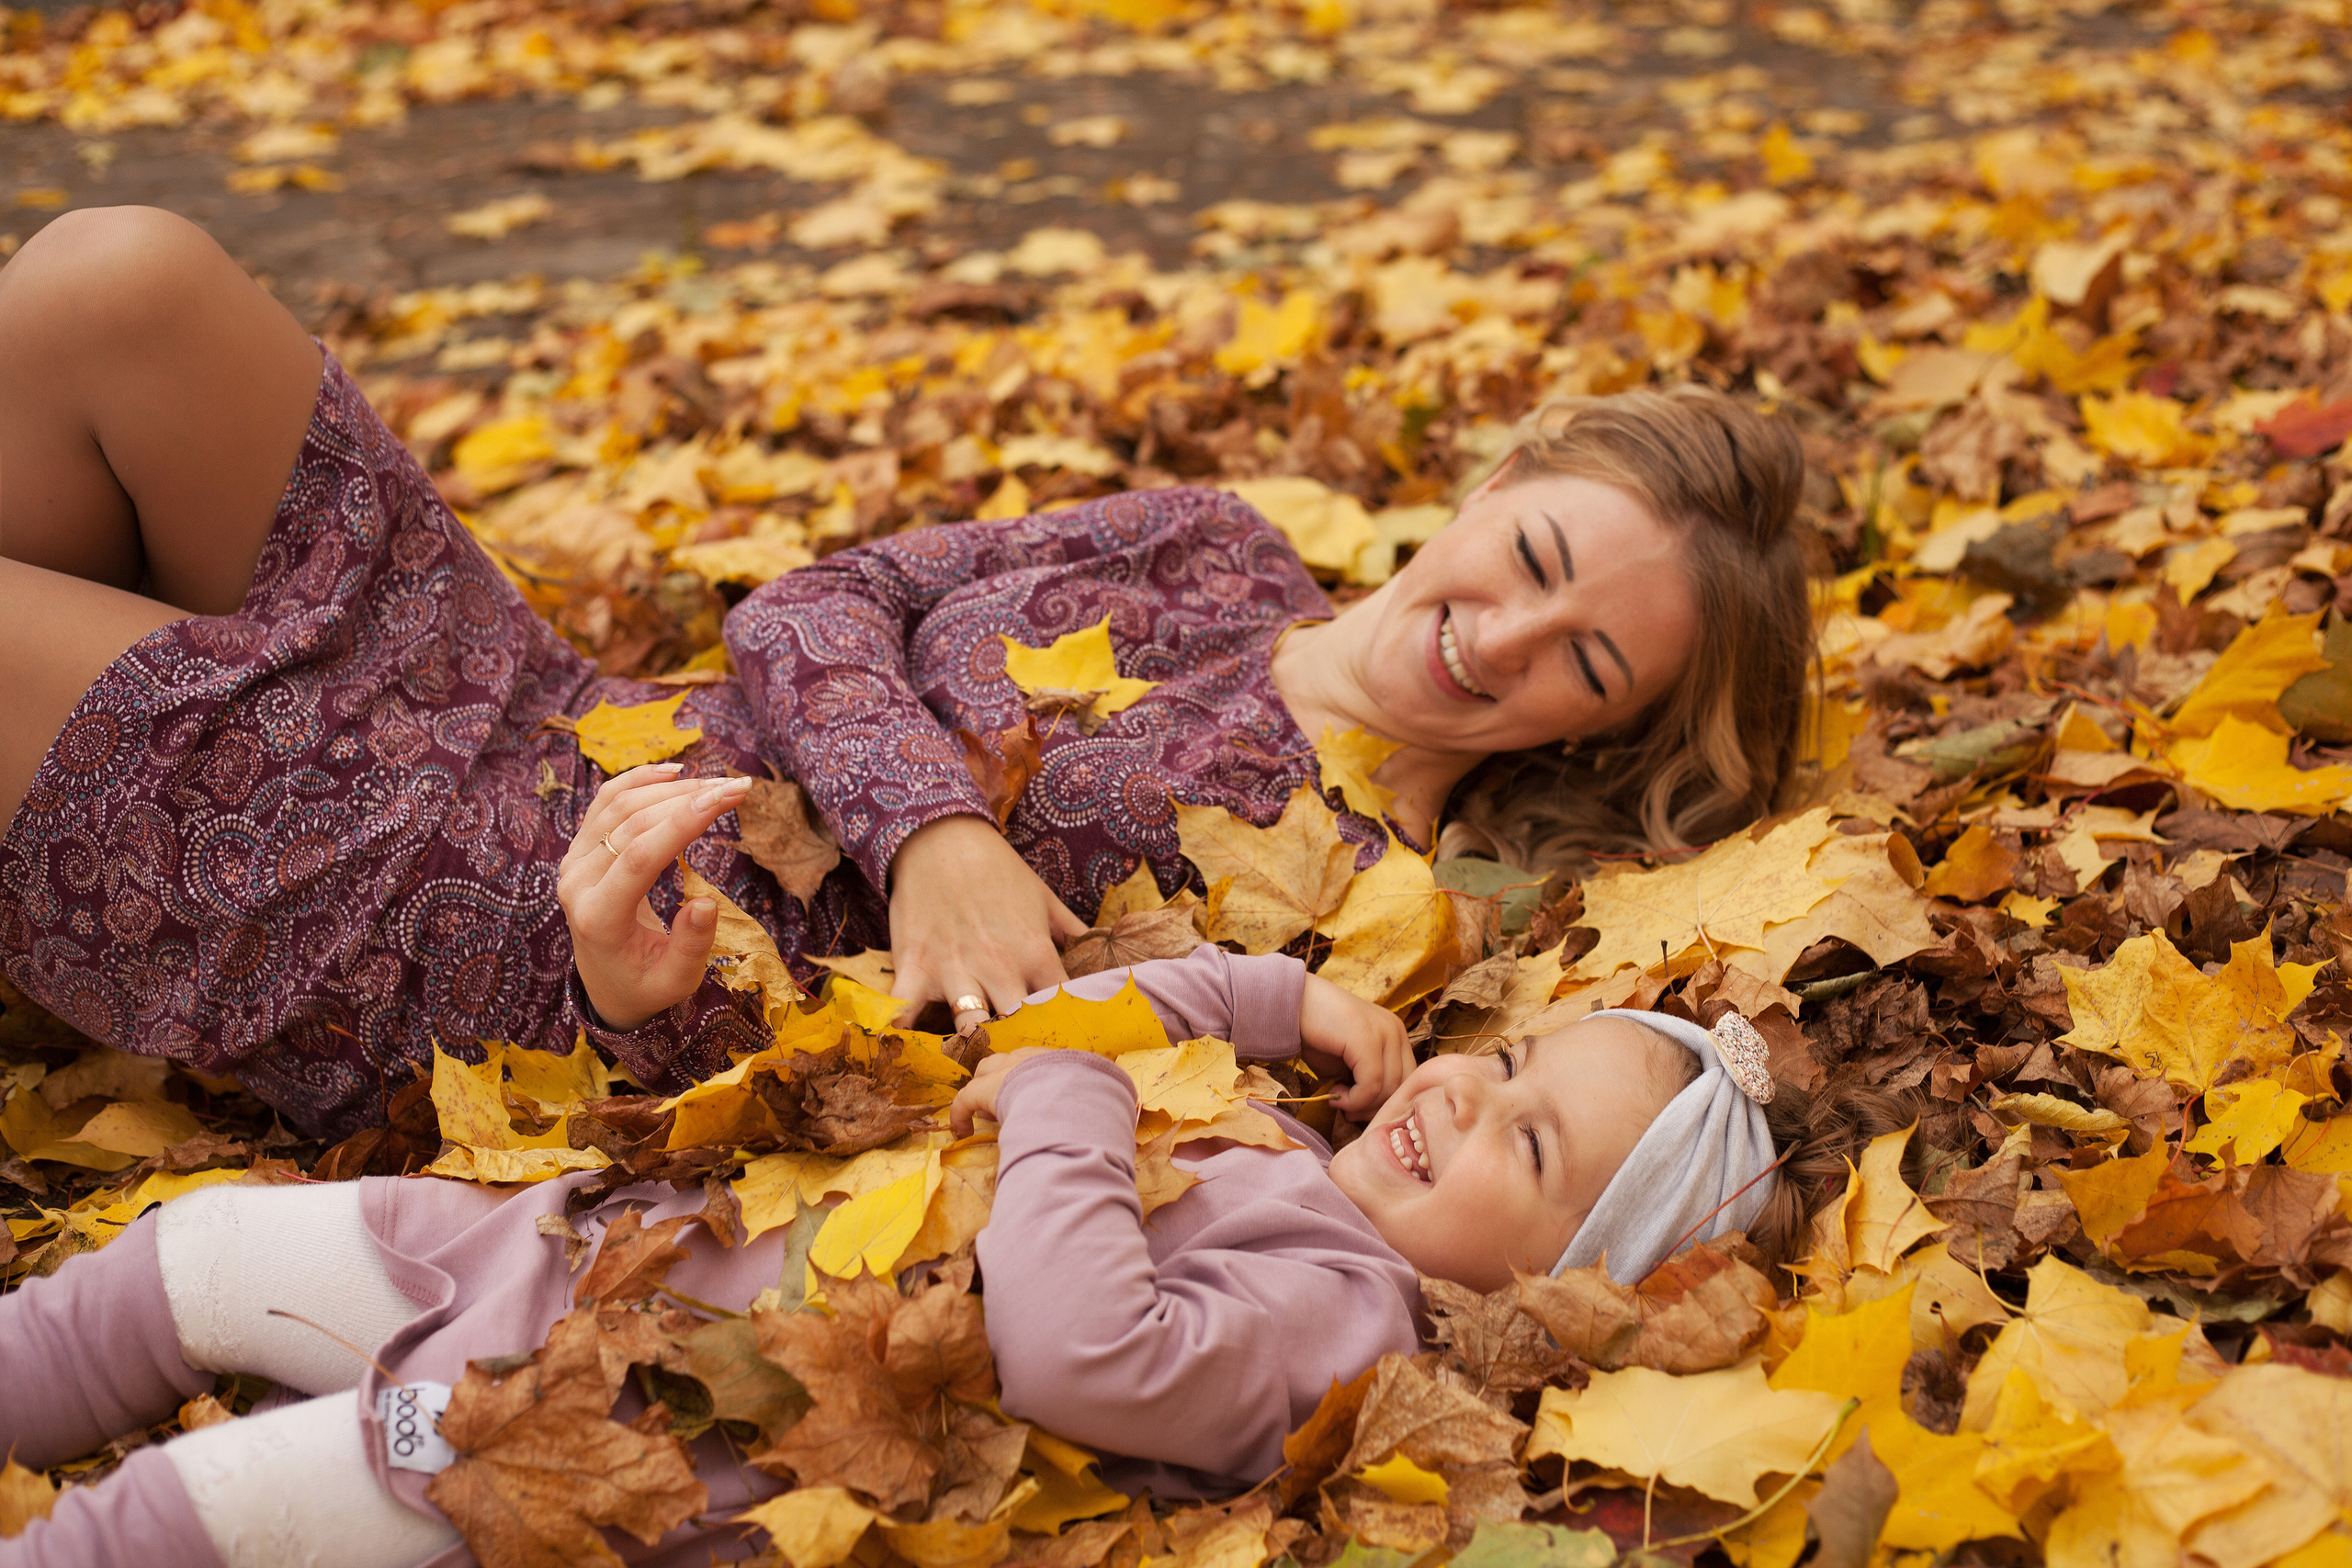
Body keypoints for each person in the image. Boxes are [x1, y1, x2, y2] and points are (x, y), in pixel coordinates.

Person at [0, 206, 1810, 1139]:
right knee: (120, 279)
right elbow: (808, 603)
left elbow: (1014, 1107)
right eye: (1541, 561)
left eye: (1581, 659)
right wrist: (935, 824)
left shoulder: (1378, 904)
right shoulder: (1215, 543)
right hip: (548, 706)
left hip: (532, 928)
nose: (1499, 638)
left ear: (1603, 725)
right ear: (1497, 482)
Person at [0, 948, 1913, 1568]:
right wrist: (1265, 990)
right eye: (1490, 1064)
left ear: (1543, 1280)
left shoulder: (1341, 1310)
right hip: (575, 1239)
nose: (1457, 1100)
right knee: (190, 1251)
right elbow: (1095, 1001)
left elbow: (1087, 1346)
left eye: (1525, 1142)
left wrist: (1065, 1090)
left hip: (623, 1399)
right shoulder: (1271, 1119)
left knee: (207, 1499)